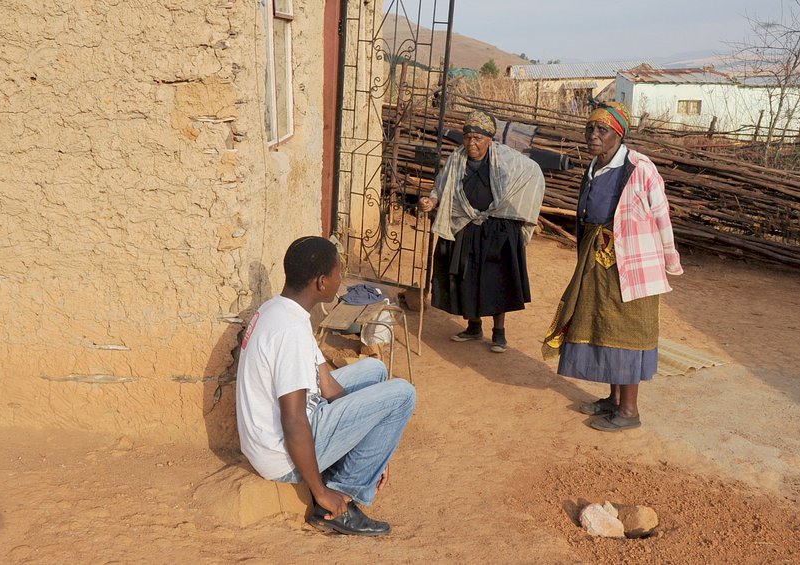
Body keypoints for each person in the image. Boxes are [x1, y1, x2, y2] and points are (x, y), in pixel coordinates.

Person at [235, 236, 416, 536]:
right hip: (281, 455)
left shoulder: (281, 309)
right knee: (404, 394)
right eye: (338, 273)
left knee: (375, 369)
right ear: (321, 282)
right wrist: (320, 491)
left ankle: (349, 469)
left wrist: (372, 439)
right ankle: (340, 498)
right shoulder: (289, 331)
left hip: (287, 430)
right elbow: (293, 420)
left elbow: (327, 383)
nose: (340, 279)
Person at [542, 101, 683, 432]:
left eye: (601, 129)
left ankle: (630, 411)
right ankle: (613, 399)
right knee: (602, 325)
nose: (593, 134)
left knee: (628, 330)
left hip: (633, 263)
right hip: (598, 258)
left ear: (618, 134)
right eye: (589, 128)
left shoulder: (639, 168)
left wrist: (669, 257)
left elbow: (662, 213)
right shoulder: (594, 166)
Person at [419, 110, 545, 353]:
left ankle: (499, 334)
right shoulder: (457, 159)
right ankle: (473, 326)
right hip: (465, 225)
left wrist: (515, 209)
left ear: (490, 139)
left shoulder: (506, 159)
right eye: (467, 138)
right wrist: (432, 202)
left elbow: (533, 173)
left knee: (496, 280)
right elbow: (441, 187)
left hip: (496, 229)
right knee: (465, 277)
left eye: (477, 138)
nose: (471, 143)